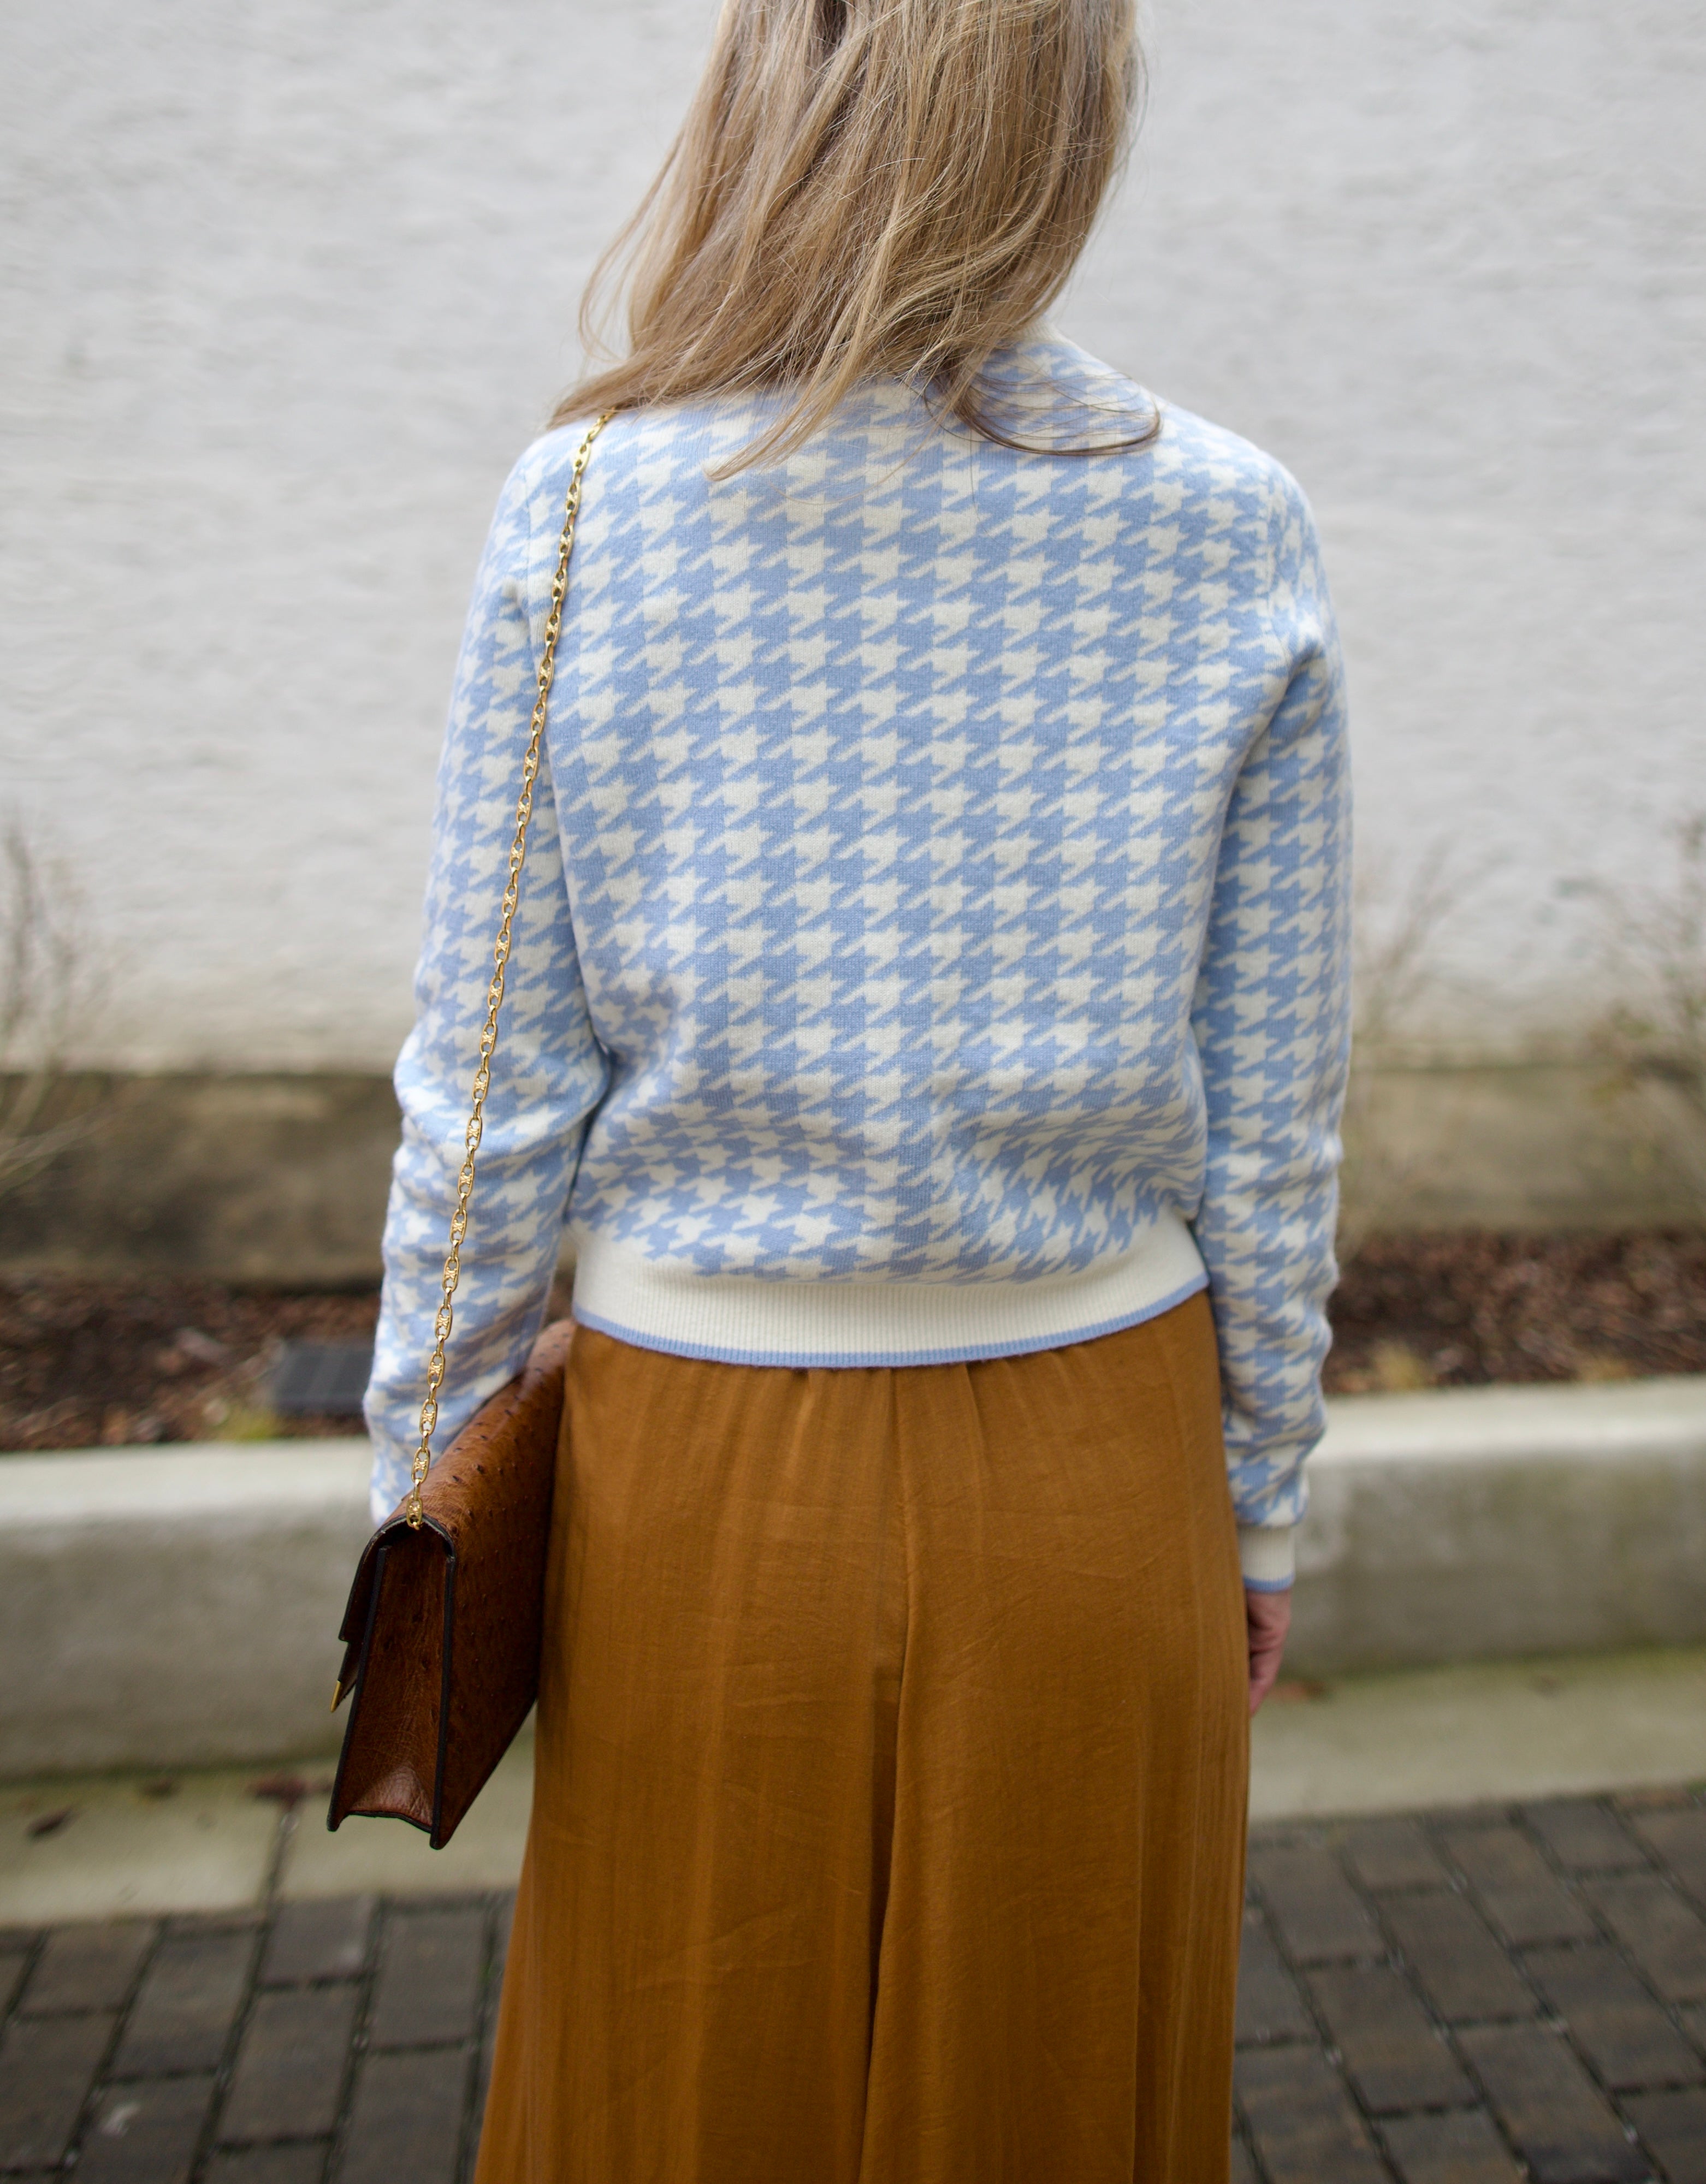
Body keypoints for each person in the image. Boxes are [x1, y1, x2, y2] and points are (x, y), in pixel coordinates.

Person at [363, 1, 1349, 2176]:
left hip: (696, 1485)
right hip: (1105, 1474)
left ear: (763, 106)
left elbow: (492, 1077)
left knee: (678, 2097)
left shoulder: (595, 504)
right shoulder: (1228, 525)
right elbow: (1270, 1109)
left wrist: (420, 1491)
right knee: (1057, 2098)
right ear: (1066, 127)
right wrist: (1260, 1487)